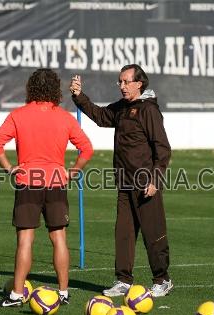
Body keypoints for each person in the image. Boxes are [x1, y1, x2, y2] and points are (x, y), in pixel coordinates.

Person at [0, 68, 93, 307]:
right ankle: (64, 292)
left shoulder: (19, 115)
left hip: (28, 182)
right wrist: (72, 172)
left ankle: (16, 295)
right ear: (56, 89)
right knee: (59, 238)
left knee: (25, 240)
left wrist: (9, 168)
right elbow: (87, 149)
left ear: (31, 87)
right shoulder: (65, 117)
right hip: (57, 182)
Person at [69, 64, 173, 297]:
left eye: (126, 82)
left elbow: (163, 148)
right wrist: (79, 97)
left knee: (153, 233)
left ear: (139, 83)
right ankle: (123, 280)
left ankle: (162, 279)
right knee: (123, 235)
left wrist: (155, 180)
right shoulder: (122, 108)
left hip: (147, 184)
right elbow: (100, 116)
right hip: (124, 183)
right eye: (120, 82)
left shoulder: (148, 110)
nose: (122, 86)